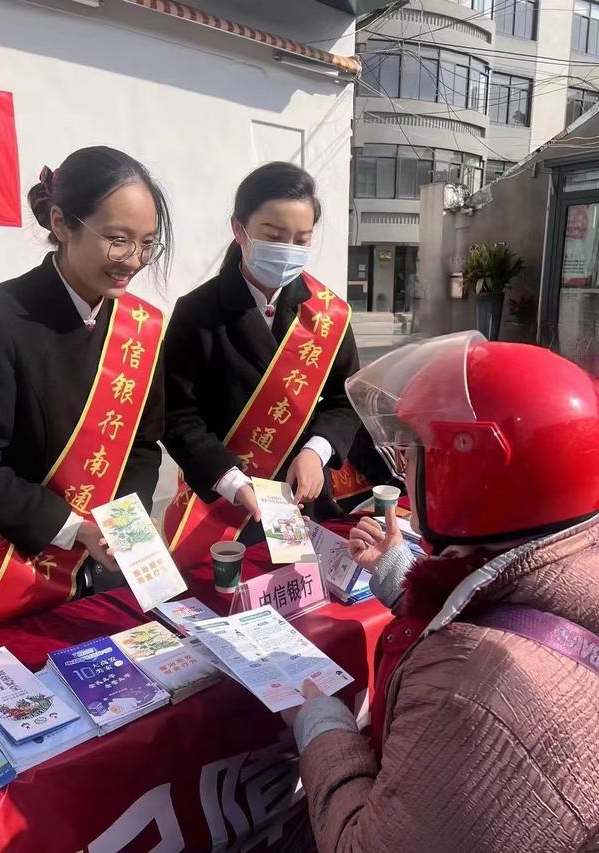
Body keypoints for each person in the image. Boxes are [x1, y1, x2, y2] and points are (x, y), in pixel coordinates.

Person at [284, 332, 599, 852]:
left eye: (415, 454)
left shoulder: (469, 695)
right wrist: (402, 575)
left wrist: (322, 729)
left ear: (474, 469)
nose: (404, 470)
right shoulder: (576, 557)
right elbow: (520, 608)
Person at [0, 146, 172, 636]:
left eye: (147, 244)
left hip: (106, 564)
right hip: (14, 565)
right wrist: (74, 530)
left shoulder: (140, 327)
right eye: (117, 240)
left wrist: (122, 529)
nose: (133, 261)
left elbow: (143, 444)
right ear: (61, 223)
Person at [163, 162, 360, 567]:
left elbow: (347, 399)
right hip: (222, 503)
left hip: (303, 496)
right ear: (239, 230)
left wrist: (316, 450)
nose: (288, 249)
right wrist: (231, 481)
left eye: (301, 240)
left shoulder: (328, 315)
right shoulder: (197, 312)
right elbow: (177, 414)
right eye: (273, 236)